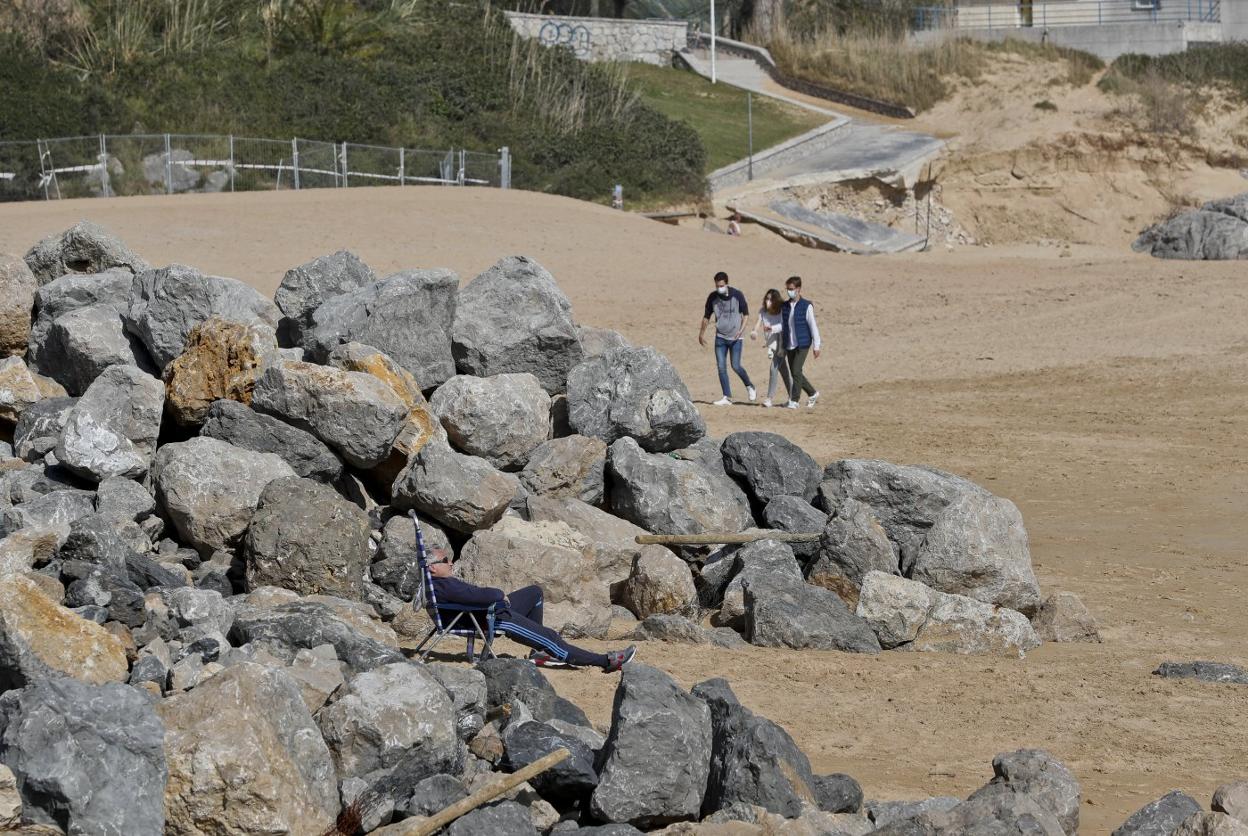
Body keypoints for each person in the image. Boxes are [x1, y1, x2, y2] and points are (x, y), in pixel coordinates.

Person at [426, 547, 636, 672]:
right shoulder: (445, 586)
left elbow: (476, 596)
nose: (451, 563)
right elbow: (483, 595)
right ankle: (605, 661)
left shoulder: (441, 584)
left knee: (534, 593)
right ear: (433, 567)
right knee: (551, 637)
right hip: (492, 619)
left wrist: (497, 598)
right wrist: (499, 595)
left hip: (491, 610)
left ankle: (539, 651)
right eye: (446, 560)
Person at [698, 271, 756, 407]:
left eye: (722, 285)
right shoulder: (712, 297)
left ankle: (750, 385)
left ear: (727, 284)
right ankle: (727, 396)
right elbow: (707, 316)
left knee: (736, 366)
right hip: (720, 338)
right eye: (717, 286)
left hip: (736, 338)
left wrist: (741, 331)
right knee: (721, 367)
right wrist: (701, 333)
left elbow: (746, 314)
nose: (719, 288)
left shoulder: (737, 295)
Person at [780, 275, 821, 409]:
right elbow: (782, 325)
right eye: (787, 289)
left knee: (796, 370)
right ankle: (812, 393)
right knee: (795, 373)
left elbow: (813, 326)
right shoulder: (785, 306)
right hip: (789, 343)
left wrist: (816, 345)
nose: (789, 291)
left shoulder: (806, 306)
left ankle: (794, 400)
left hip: (803, 343)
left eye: (791, 289)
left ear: (798, 289)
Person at [749, 288, 791, 408]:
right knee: (784, 371)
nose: (768, 301)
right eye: (767, 299)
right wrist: (754, 332)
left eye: (771, 299)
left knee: (773, 368)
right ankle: (793, 397)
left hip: (782, 342)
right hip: (772, 343)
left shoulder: (782, 311)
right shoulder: (763, 311)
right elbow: (758, 323)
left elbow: (784, 326)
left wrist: (772, 328)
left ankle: (769, 398)